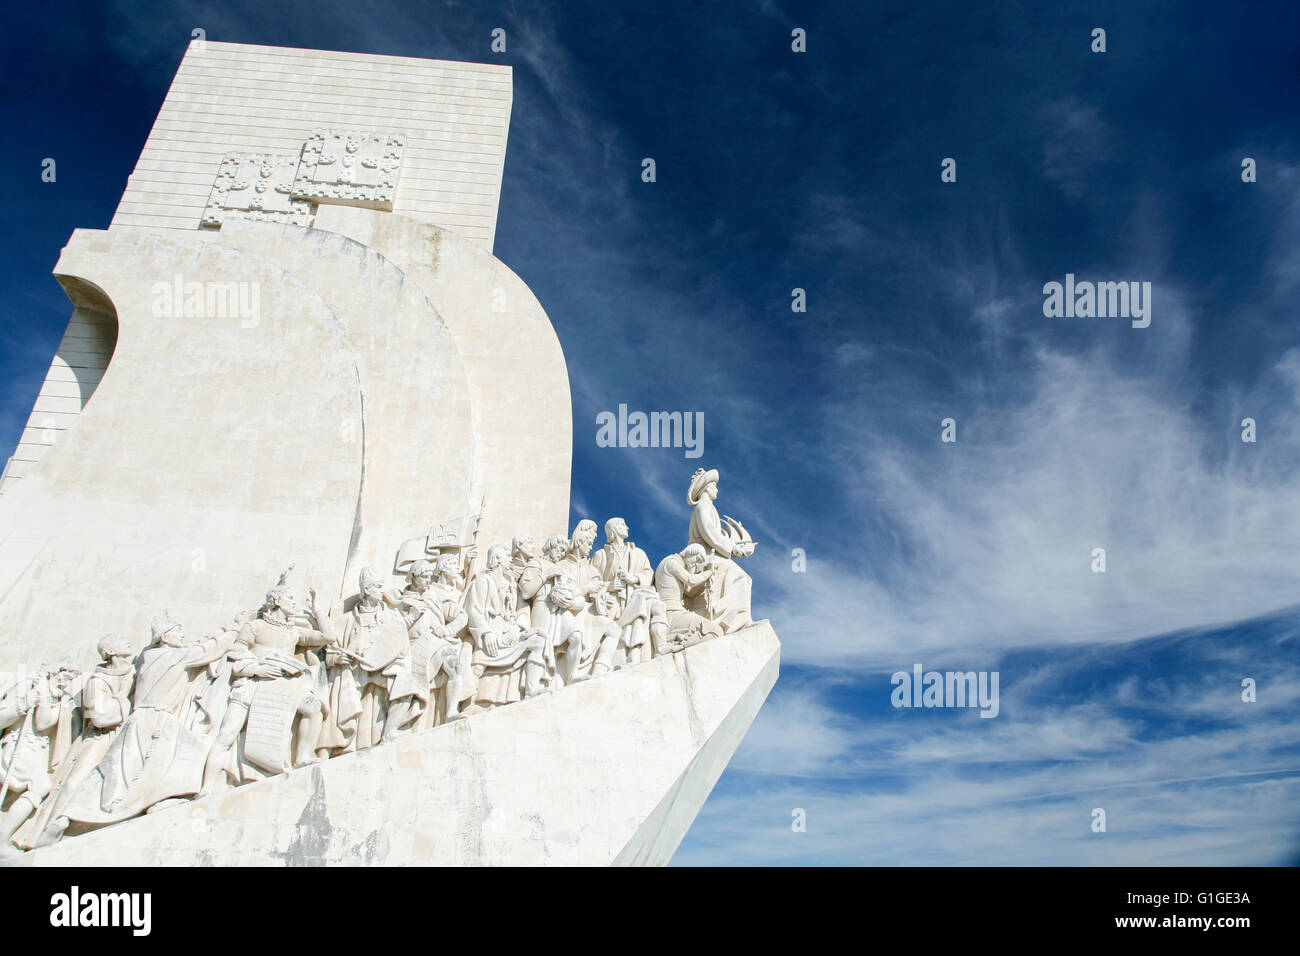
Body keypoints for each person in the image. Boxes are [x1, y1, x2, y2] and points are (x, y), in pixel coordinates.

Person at [34, 618, 235, 847]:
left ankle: (69, 816)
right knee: (138, 769)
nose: (182, 634)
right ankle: (79, 815)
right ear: (164, 637)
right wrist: (235, 628)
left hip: (142, 719)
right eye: (176, 631)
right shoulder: (172, 656)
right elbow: (209, 649)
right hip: (156, 719)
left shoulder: (146, 658)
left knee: (120, 772)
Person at [200, 573, 333, 791]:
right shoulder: (256, 627)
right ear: (276, 600)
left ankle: (302, 756)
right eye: (290, 598)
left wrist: (318, 609)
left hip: (282, 686)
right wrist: (257, 669)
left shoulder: (294, 632)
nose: (294, 602)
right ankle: (206, 788)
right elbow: (236, 652)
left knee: (313, 707)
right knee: (226, 734)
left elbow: (329, 637)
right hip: (253, 683)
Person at [0, 664, 79, 856]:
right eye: (63, 676)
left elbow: (44, 722)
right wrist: (23, 705)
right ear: (54, 672)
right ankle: (2, 838)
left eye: (69, 680)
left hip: (35, 752)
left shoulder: (57, 698)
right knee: (40, 785)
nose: (64, 683)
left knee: (41, 786)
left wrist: (46, 697)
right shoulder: (26, 686)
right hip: (16, 747)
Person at [686, 468, 755, 633]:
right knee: (741, 577)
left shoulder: (708, 507)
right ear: (707, 488)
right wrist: (734, 549)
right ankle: (731, 618)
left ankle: (738, 618)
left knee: (743, 578)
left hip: (712, 554)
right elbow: (710, 533)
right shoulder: (702, 507)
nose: (717, 489)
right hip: (703, 557)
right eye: (714, 486)